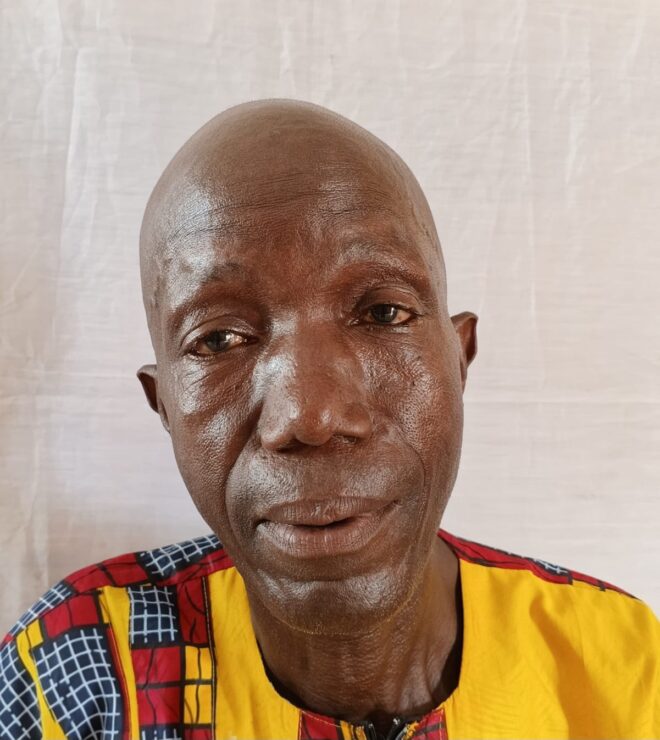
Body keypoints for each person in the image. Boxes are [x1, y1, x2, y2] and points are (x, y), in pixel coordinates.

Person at [0, 99, 657, 740]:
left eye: (382, 314)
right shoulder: (78, 672)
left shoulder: (623, 665)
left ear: (459, 358)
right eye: (219, 339)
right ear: (164, 405)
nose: (310, 415)